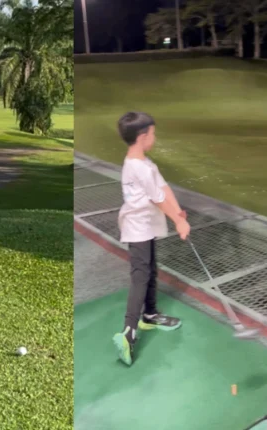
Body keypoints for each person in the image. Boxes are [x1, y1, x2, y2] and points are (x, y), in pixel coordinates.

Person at [112, 111, 191, 366]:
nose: (155, 138)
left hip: (147, 226)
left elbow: (164, 189)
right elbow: (157, 198)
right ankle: (129, 330)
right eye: (153, 134)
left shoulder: (146, 164)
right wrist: (178, 221)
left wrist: (178, 212)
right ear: (143, 136)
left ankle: (150, 314)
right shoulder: (137, 167)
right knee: (140, 274)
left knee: (150, 270)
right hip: (137, 227)